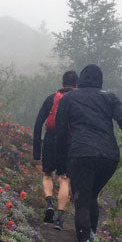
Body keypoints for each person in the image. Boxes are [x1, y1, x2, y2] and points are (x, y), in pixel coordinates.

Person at [54, 63, 122, 242]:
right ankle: (90, 240)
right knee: (92, 196)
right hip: (109, 157)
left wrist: (61, 164)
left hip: (81, 153)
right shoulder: (110, 97)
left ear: (81, 80)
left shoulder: (69, 98)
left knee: (82, 200)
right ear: (100, 80)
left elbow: (60, 132)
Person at [32, 70, 78, 228]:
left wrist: (36, 150)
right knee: (64, 178)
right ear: (76, 85)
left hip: (51, 139)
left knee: (47, 174)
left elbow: (38, 123)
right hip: (69, 142)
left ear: (62, 83)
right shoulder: (78, 100)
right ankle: (59, 217)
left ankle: (49, 204)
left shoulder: (52, 98)